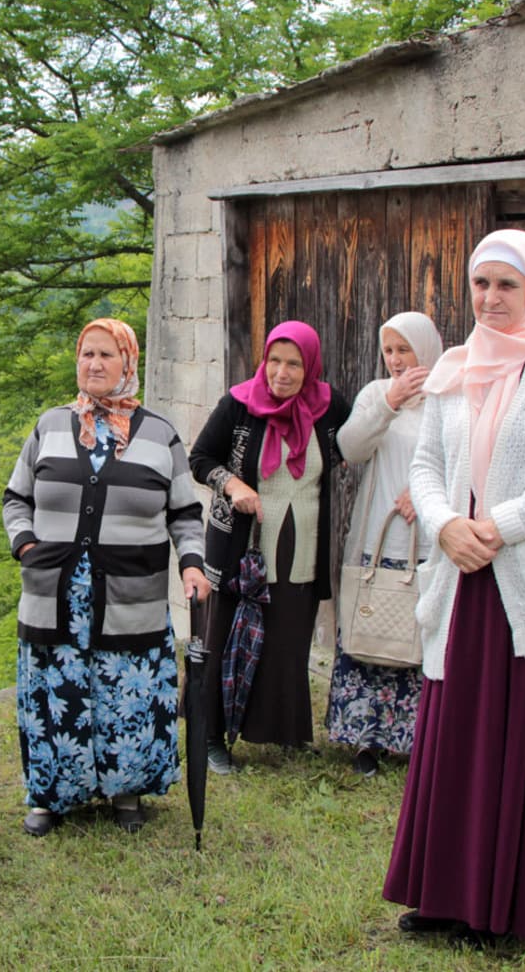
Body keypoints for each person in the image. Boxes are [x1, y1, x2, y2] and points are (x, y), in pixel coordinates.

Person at [382, 229, 525, 946]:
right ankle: (450, 897)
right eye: (481, 284)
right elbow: (426, 464)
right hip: (461, 584)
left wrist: (499, 526)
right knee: (458, 744)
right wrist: (449, 523)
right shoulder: (454, 367)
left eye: (507, 285)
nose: (491, 299)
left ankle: (516, 912)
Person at [6, 318, 209, 836]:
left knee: (127, 692)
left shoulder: (160, 434)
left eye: (106, 355)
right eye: (86, 354)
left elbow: (185, 513)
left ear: (128, 363)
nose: (94, 364)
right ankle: (50, 795)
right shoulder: (50, 425)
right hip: (53, 594)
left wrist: (191, 563)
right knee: (56, 690)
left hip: (129, 595)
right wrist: (26, 545)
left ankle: (126, 791)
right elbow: (17, 498)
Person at [190, 321, 352, 772]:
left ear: (310, 366)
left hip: (301, 543)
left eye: (294, 363)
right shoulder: (239, 405)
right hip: (242, 543)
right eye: (275, 360)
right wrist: (233, 484)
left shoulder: (328, 406)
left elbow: (354, 444)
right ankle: (211, 737)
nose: (282, 372)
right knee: (223, 638)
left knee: (288, 638)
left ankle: (285, 730)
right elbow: (200, 459)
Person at [325, 312, 444, 776]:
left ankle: (420, 743)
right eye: (389, 350)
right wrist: (389, 403)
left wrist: (428, 489)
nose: (395, 359)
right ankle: (364, 742)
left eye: (404, 350)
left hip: (427, 540)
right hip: (377, 538)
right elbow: (351, 448)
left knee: (419, 638)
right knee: (372, 632)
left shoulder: (449, 395)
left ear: (425, 350)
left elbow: (466, 457)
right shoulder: (377, 394)